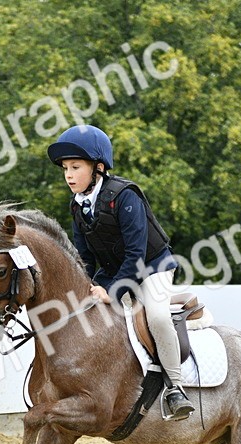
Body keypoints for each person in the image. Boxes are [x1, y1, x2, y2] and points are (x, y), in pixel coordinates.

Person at [47, 125, 194, 420]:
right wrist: (84, 285)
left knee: (157, 316)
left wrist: (112, 291)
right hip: (115, 271)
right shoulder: (77, 206)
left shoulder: (125, 196)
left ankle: (175, 388)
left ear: (98, 168)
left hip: (153, 267)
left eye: (76, 167)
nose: (68, 174)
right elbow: (84, 257)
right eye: (65, 168)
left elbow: (136, 254)